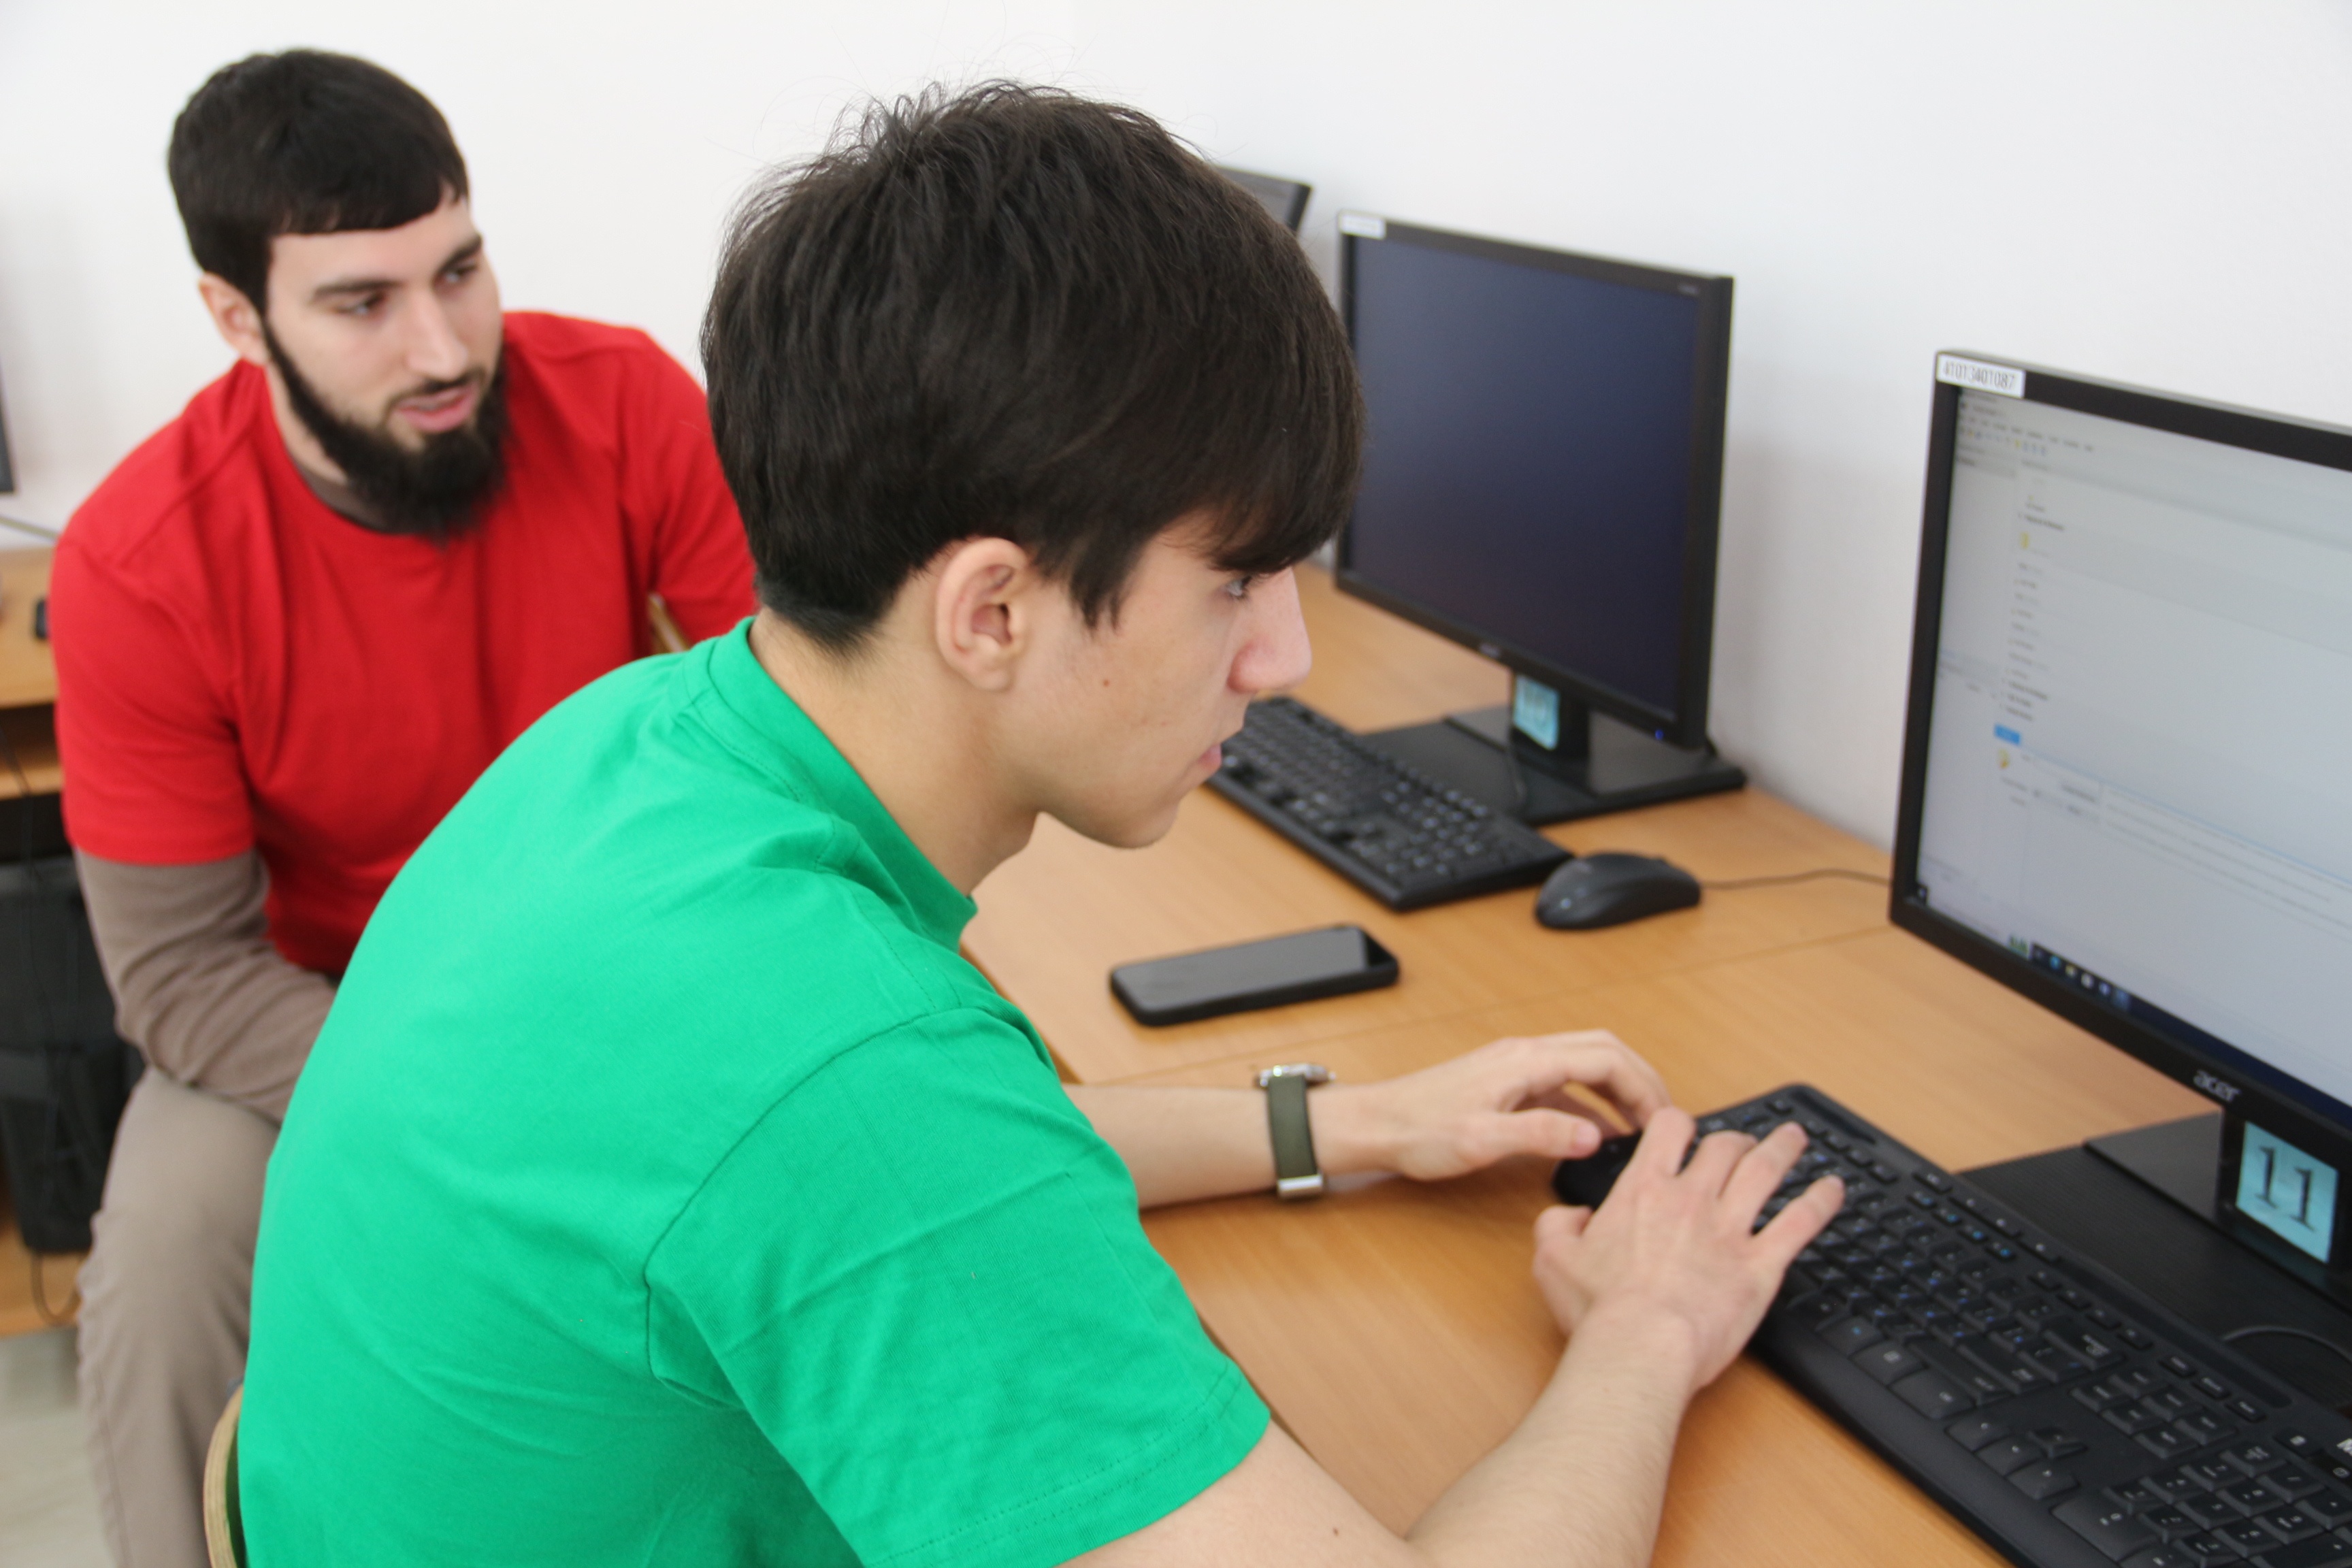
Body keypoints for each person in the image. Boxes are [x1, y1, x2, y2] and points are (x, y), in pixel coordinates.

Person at [237, 84, 1840, 1567]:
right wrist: (1648, 1330)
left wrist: (1350, 1123)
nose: (1283, 656)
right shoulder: (845, 1072)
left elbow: (945, 1168)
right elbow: (885, 1157)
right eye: (1237, 581)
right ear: (992, 611)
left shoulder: (636, 739)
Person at [49, 50, 754, 1568]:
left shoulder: (628, 401)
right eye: (362, 303)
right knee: (165, 1254)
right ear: (237, 317)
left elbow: (800, 723)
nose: (444, 347)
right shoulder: (135, 562)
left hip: (616, 972)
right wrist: (469, 1093)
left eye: (460, 270)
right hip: (320, 1014)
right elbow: (179, 976)